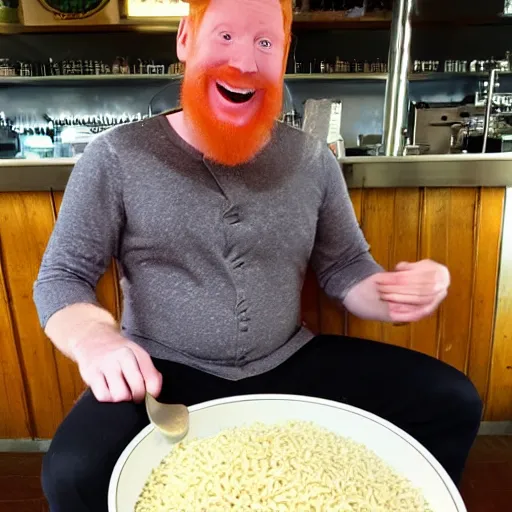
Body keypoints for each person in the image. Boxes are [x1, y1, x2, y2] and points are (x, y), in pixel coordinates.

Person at [33, 0, 482, 510]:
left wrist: (388, 293)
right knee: (72, 474)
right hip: (161, 374)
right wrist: (95, 340)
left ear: (284, 54)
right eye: (224, 36)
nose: (244, 62)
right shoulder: (115, 155)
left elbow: (343, 266)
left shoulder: (312, 158)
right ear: (186, 39)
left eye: (264, 43)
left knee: (450, 401)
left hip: (288, 359)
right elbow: (62, 278)